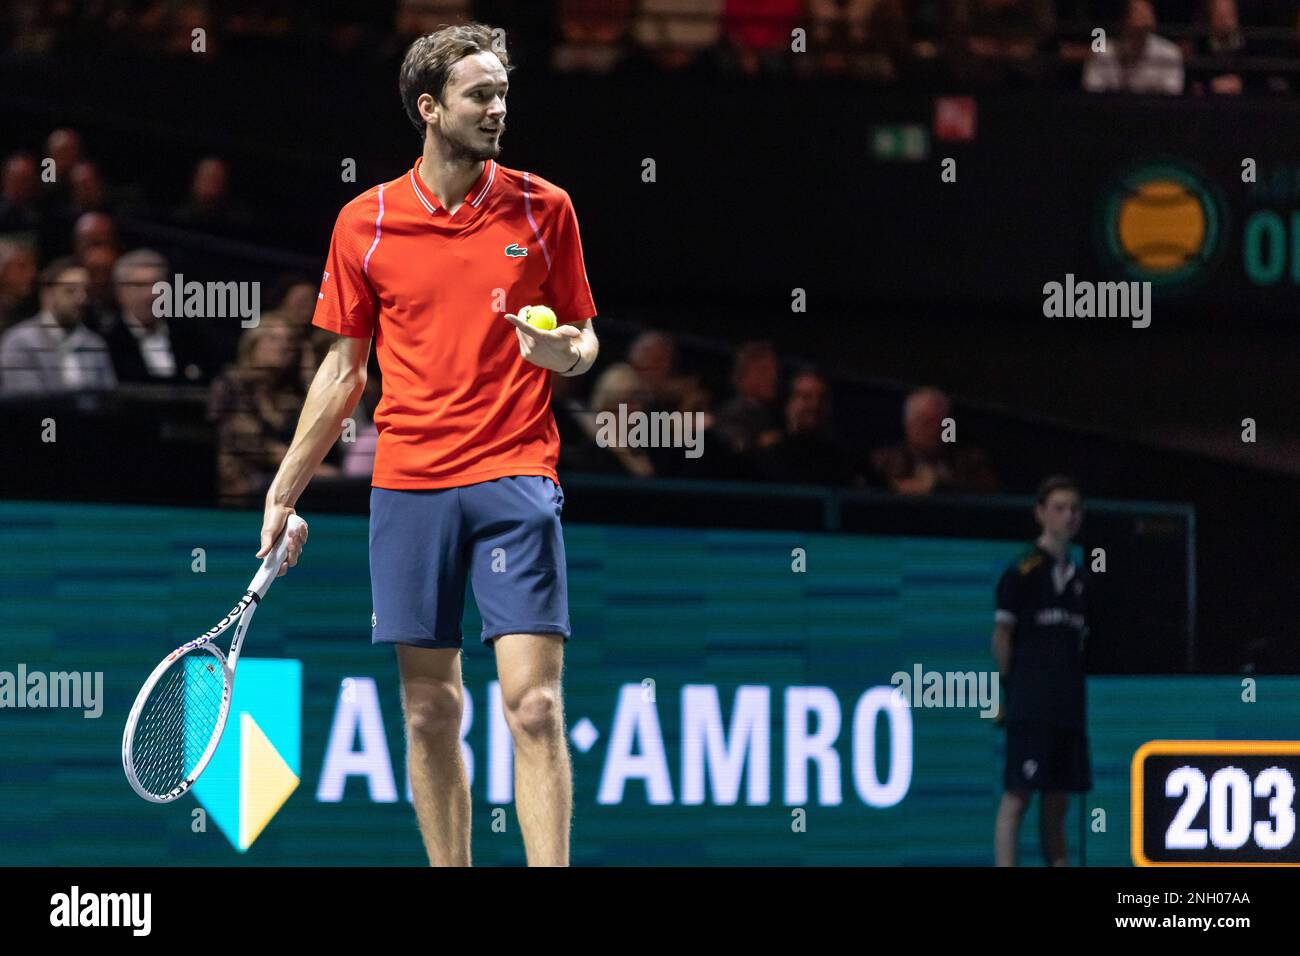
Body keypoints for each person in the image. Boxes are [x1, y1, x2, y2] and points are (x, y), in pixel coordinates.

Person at [256, 22, 599, 867]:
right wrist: (282, 490)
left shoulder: (544, 208)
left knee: (535, 708)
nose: (497, 109)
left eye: (503, 95)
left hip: (516, 472)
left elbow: (585, 341)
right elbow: (344, 373)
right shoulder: (363, 223)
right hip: (409, 485)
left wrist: (562, 352)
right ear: (429, 107)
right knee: (428, 713)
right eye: (480, 95)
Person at [992, 475, 1092, 867]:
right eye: (1059, 508)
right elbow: (1001, 637)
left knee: (1059, 800)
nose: (1068, 516)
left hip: (1068, 705)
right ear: (1040, 514)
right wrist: (1008, 691)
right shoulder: (1022, 571)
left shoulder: (1082, 579)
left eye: (1074, 508)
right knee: (1018, 795)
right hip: (1031, 704)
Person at [0, 257, 116, 393]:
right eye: (70, 291)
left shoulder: (95, 344)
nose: (81, 299)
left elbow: (109, 400)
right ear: (48, 295)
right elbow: (27, 403)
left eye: (86, 291)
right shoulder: (20, 342)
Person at [871, 387, 999, 494]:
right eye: (927, 423)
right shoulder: (883, 462)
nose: (936, 430)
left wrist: (939, 487)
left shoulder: (970, 460)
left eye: (942, 423)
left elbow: (989, 491)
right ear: (909, 425)